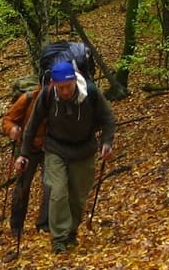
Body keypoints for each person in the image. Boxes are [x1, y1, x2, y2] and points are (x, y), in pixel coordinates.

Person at [18, 58, 116, 253]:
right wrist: (24, 155)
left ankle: (71, 233)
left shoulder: (90, 93)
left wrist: (106, 142)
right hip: (56, 149)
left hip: (84, 150)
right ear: (53, 84)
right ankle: (59, 239)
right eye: (60, 87)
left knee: (78, 197)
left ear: (74, 81)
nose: (65, 91)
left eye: (68, 87)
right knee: (58, 192)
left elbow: (108, 118)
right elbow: (32, 126)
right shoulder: (46, 96)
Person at [1, 84, 48, 237]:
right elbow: (8, 119)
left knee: (51, 184)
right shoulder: (28, 98)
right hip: (27, 150)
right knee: (23, 185)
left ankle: (45, 224)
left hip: (49, 148)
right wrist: (12, 129)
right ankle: (17, 225)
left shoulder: (59, 98)